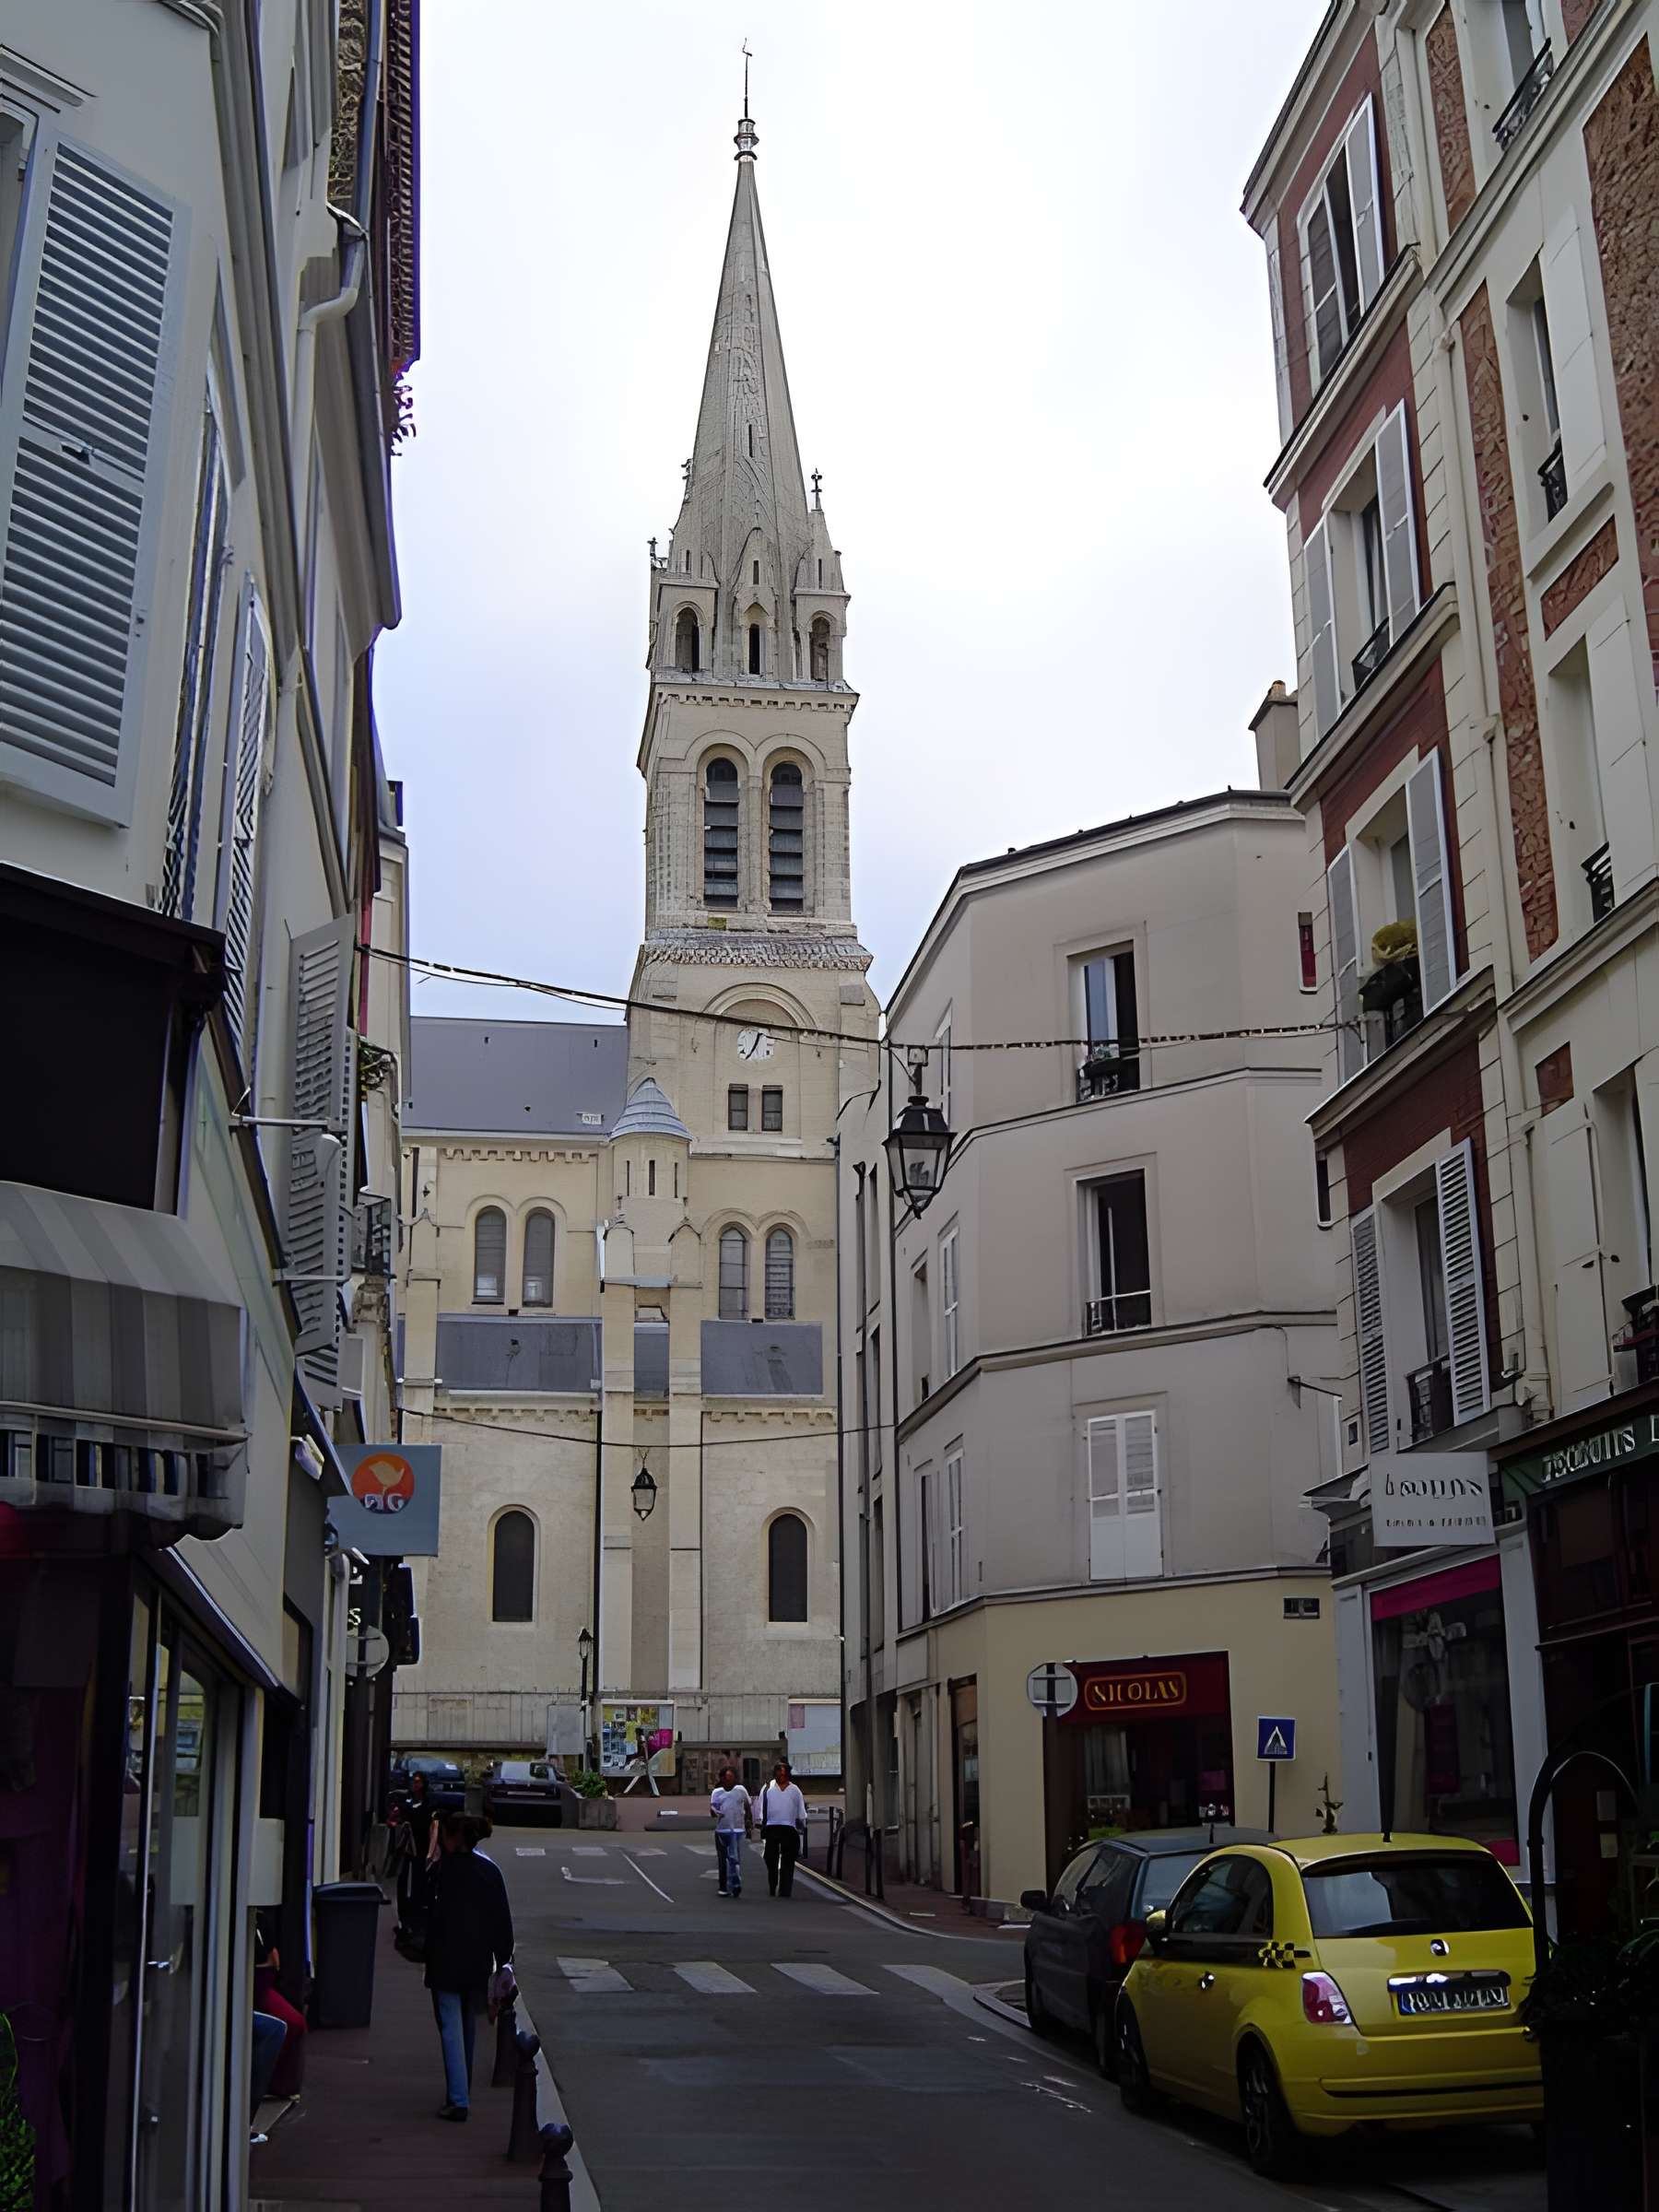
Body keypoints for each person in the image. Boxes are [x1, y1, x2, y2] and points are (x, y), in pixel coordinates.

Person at [424, 1812, 514, 2123]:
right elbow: (501, 1919)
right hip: (477, 1958)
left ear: (450, 1838)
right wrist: (504, 1960)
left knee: (449, 2024)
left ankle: (459, 2098)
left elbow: (425, 1913)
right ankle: (463, 2087)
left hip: (444, 1957)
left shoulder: (439, 1871)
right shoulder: (489, 1871)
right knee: (467, 2023)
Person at [393, 1769, 437, 1941]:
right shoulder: (407, 1801)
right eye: (414, 1781)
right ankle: (404, 1916)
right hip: (407, 1846)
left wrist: (431, 1851)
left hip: (421, 1846)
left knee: (419, 1881)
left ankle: (416, 1915)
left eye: (418, 1781)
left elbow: (433, 1828)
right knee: (402, 1879)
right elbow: (397, 1818)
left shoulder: (428, 1804)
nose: (415, 1784)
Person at [758, 1760, 807, 1899]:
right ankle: (773, 1884)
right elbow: (760, 1809)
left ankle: (785, 1890)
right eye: (779, 1772)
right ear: (775, 1773)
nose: (782, 1775)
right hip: (772, 1828)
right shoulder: (767, 1788)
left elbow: (801, 1813)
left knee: (788, 1860)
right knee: (770, 1858)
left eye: (785, 1773)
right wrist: (760, 1822)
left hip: (789, 1828)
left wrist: (802, 1825)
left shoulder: (795, 1790)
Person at [709, 1763, 752, 1899]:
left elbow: (748, 1806)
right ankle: (723, 1887)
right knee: (723, 1860)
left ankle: (736, 1884)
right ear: (721, 1779)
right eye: (727, 1778)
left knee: (733, 1859)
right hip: (721, 1831)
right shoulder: (717, 1792)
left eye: (732, 1778)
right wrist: (716, 1812)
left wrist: (749, 1824)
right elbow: (712, 1810)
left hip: (737, 1830)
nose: (729, 1780)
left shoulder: (741, 1790)